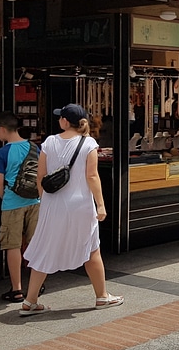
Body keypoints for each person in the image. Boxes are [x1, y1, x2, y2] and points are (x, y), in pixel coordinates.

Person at [18, 104, 123, 315]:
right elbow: (92, 176)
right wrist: (101, 204)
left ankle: (30, 301)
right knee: (92, 249)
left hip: (52, 204)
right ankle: (102, 296)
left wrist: (44, 200)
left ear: (65, 121)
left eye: (60, 118)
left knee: (43, 250)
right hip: (80, 204)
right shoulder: (89, 143)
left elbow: (40, 176)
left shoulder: (49, 141)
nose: (59, 120)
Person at [0, 112, 41, 303]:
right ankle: (37, 284)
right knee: (35, 244)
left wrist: (9, 197)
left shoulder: (3, 153)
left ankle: (17, 289)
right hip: (35, 202)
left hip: (12, 204)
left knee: (12, 246)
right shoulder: (34, 147)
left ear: (2, 129)